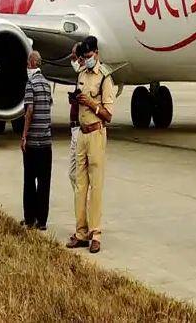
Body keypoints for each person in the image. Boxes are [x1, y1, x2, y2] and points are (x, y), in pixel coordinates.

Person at [66, 35, 114, 254]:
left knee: (96, 188)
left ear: (97, 53)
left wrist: (92, 104)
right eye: (84, 58)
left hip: (96, 134)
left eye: (89, 56)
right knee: (80, 186)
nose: (86, 60)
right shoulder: (82, 75)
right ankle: (81, 232)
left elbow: (108, 114)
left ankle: (95, 234)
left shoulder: (105, 79)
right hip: (82, 135)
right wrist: (75, 101)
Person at [20, 50, 53, 230]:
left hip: (33, 142)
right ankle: (42, 221)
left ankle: (29, 218)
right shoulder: (47, 85)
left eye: (27, 63)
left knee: (29, 181)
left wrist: (24, 135)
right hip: (46, 142)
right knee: (44, 182)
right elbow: (48, 107)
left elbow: (29, 111)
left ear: (32, 63)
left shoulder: (30, 84)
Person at [67, 42, 85, 191]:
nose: (71, 59)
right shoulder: (81, 75)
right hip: (75, 127)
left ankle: (84, 203)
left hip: (81, 129)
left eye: (74, 56)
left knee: (76, 173)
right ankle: (81, 202)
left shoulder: (88, 76)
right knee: (73, 174)